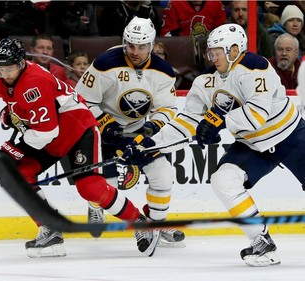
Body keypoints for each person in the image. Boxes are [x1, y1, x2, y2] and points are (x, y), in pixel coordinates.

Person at [123, 23, 304, 267]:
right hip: (251, 145)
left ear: (234, 49)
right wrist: (150, 144)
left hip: (290, 137)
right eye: (211, 52)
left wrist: (218, 121)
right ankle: (262, 242)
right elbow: (187, 122)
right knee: (223, 180)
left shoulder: (256, 67)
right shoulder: (205, 82)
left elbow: (257, 115)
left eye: (217, 52)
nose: (213, 57)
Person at [0, 38, 160, 258]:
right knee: (20, 173)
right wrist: (12, 113)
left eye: (10, 69)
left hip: (78, 129)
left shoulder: (35, 81)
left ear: (22, 63)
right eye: (0, 69)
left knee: (91, 188)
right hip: (52, 132)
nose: (6, 74)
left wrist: (13, 149)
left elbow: (45, 131)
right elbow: (22, 105)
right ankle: (50, 229)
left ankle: (140, 223)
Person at [75, 17, 185, 246]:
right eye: (131, 45)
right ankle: (95, 205)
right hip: (102, 132)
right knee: (107, 187)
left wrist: (153, 126)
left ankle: (157, 224)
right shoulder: (105, 64)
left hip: (137, 133)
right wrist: (105, 123)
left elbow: (167, 108)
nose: (135, 51)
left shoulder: (164, 72)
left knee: (163, 174)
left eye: (142, 46)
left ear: (151, 45)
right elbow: (82, 99)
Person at [160, 0, 226, 37]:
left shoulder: (216, 4)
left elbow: (222, 32)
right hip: (183, 50)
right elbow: (167, 35)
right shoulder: (175, 4)